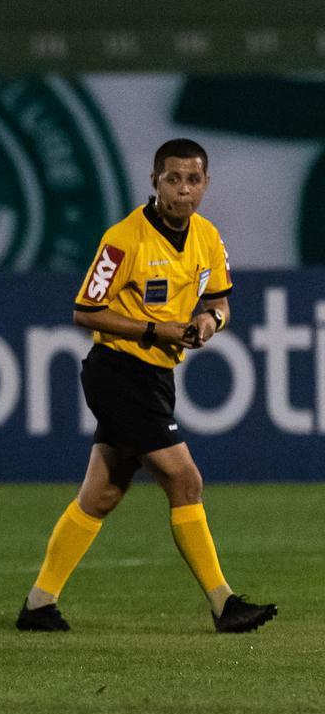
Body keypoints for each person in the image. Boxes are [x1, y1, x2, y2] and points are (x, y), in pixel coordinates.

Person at [15, 138, 276, 634]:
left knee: (104, 494)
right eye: (173, 179)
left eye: (193, 180)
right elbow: (85, 310)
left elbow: (221, 302)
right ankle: (224, 604)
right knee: (185, 479)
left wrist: (208, 323)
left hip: (155, 377)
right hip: (118, 372)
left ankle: (39, 603)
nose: (183, 190)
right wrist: (157, 329)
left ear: (205, 184)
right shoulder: (124, 239)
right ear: (154, 182)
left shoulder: (207, 237)